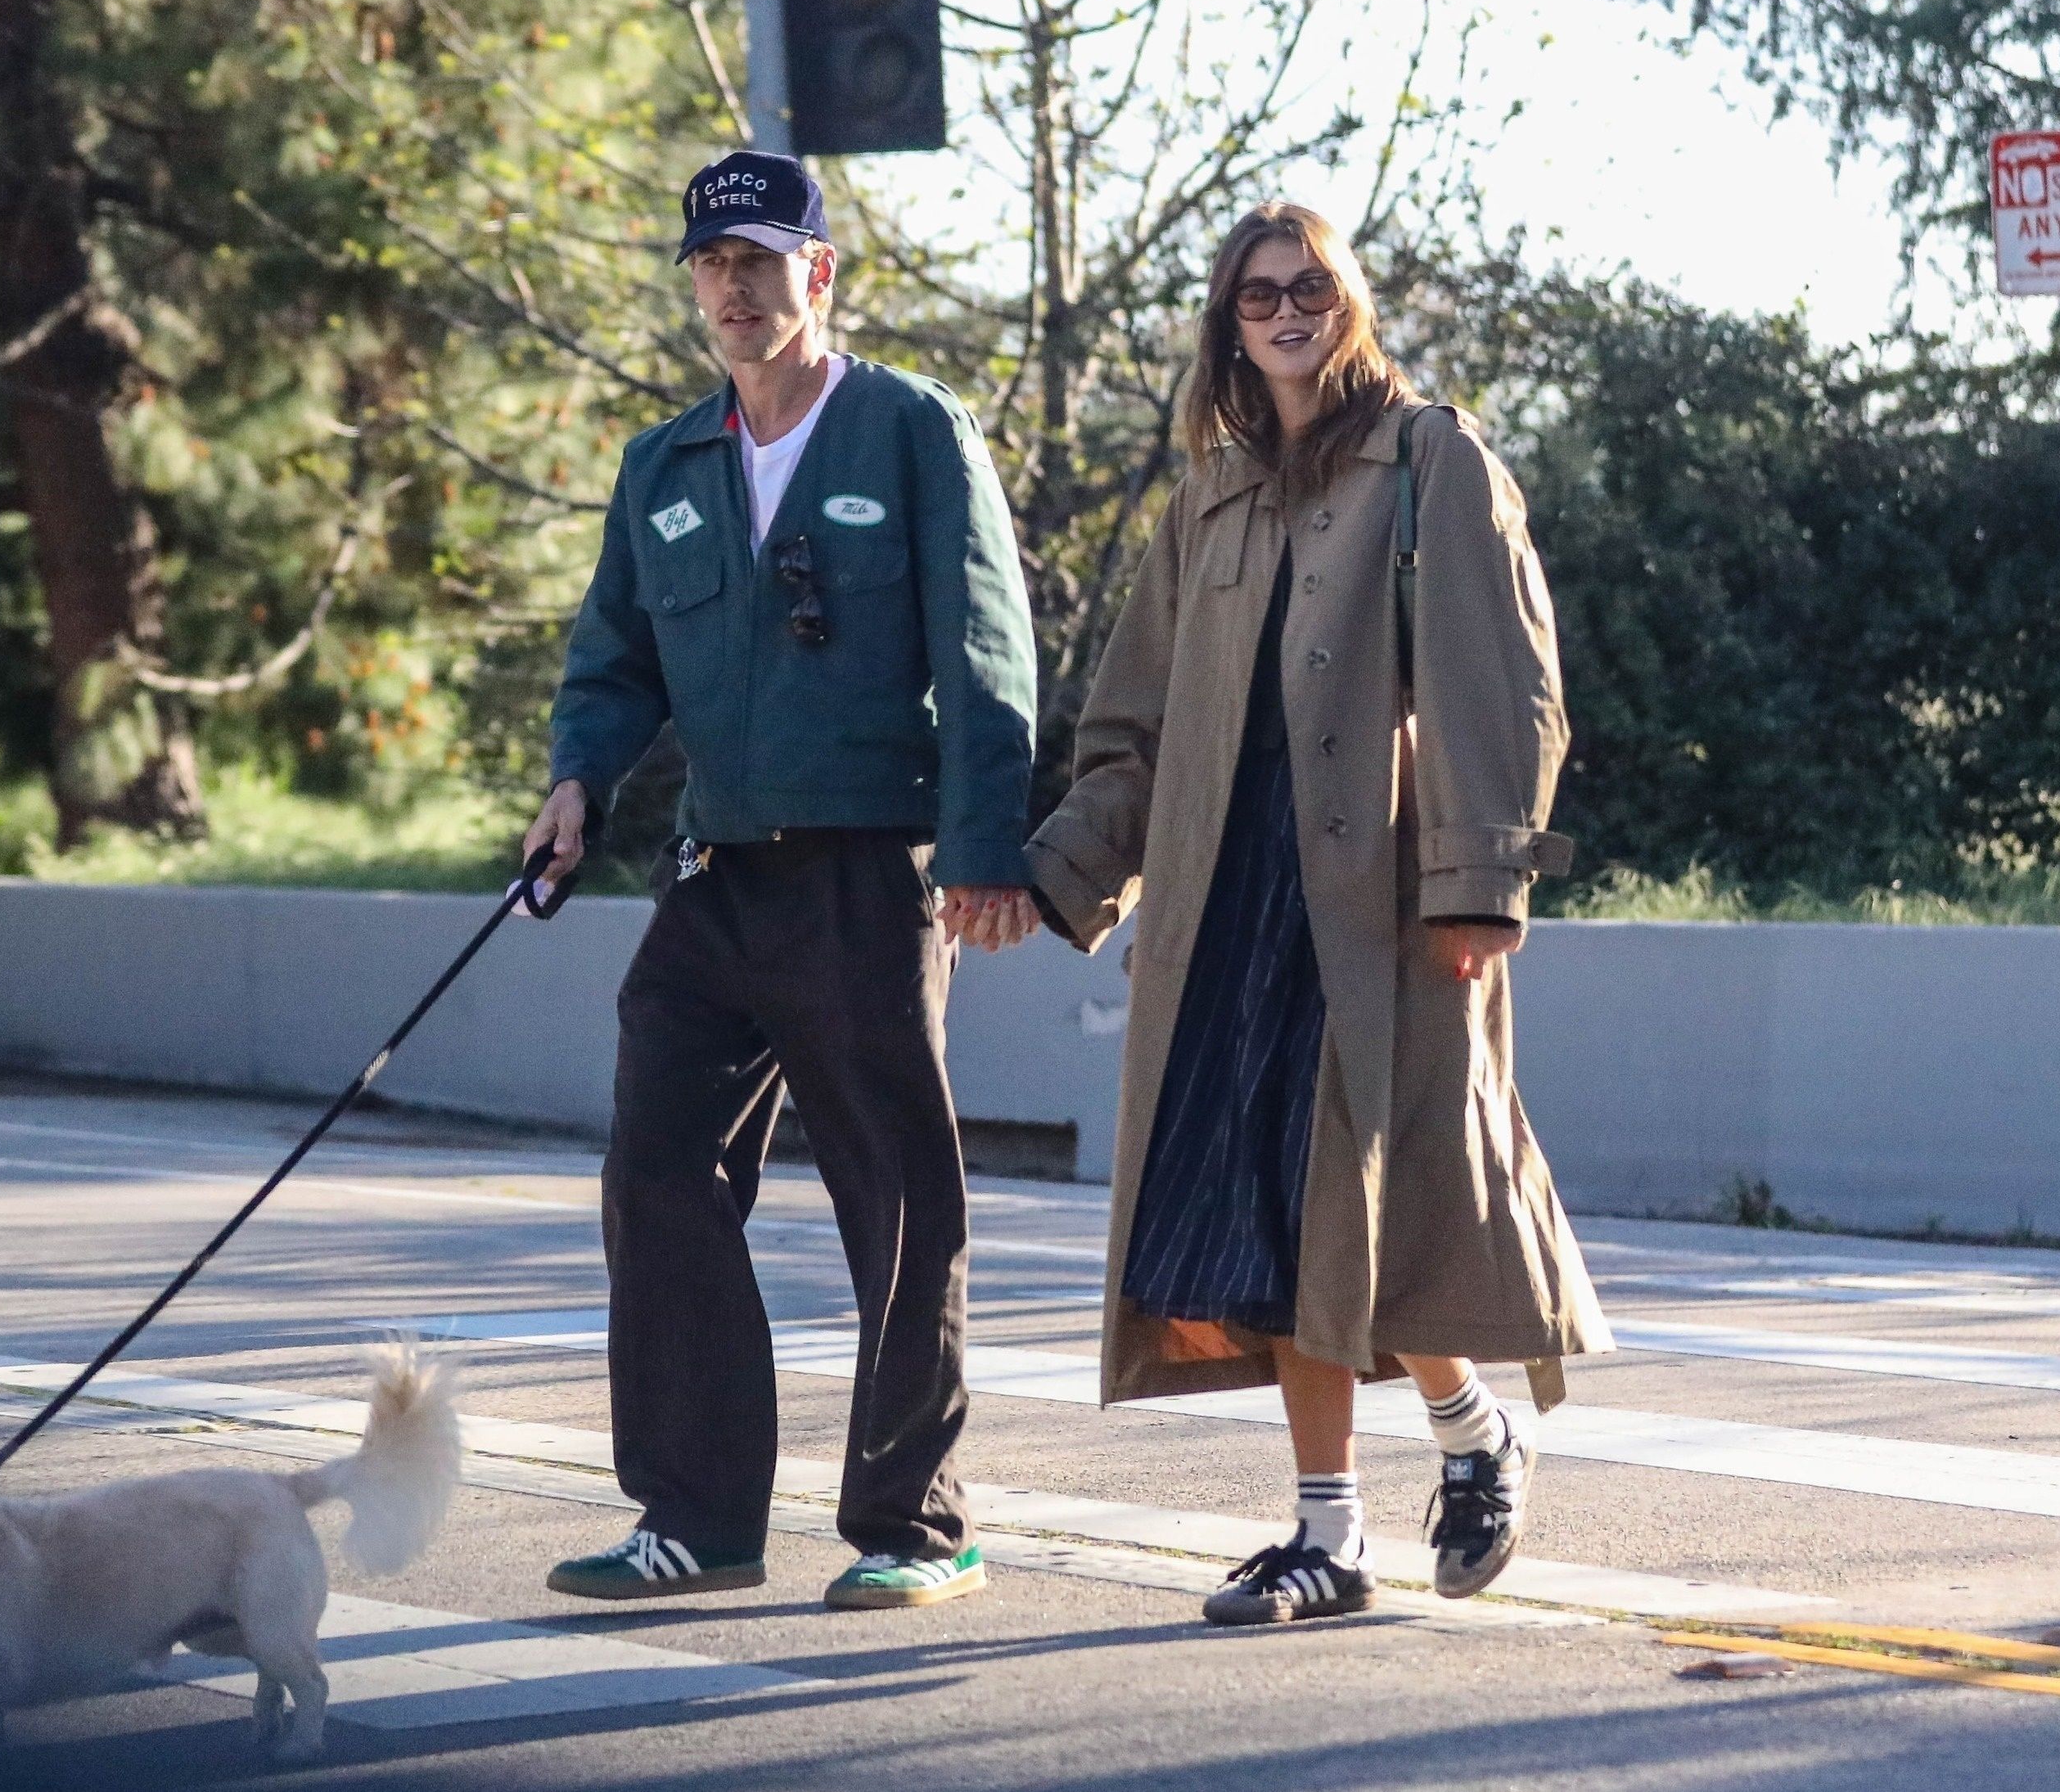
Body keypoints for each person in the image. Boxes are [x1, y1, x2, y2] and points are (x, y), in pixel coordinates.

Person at [1023, 200, 1612, 1627]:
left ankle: (1466, 1430)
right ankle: (1335, 1528)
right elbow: (1135, 723)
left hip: (1381, 908)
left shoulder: (1434, 459)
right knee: (1280, 1220)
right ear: (1230, 323)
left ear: (1347, 301)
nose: (1286, 310)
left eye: (1309, 286)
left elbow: (1505, 687)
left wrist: (1479, 888)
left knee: (1375, 1204)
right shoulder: (1208, 497)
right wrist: (1054, 872)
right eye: (1257, 294)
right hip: (1229, 908)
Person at [525, 151, 1043, 1612]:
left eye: (761, 261)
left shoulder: (910, 431)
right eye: (711, 266)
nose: (735, 289)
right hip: (716, 875)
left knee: (896, 1196)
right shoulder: (666, 467)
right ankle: (696, 1514)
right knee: (654, 1170)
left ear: (821, 273)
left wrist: (988, 848)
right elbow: (612, 662)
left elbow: (987, 657)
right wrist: (578, 780)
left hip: (867, 872)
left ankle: (915, 1525)